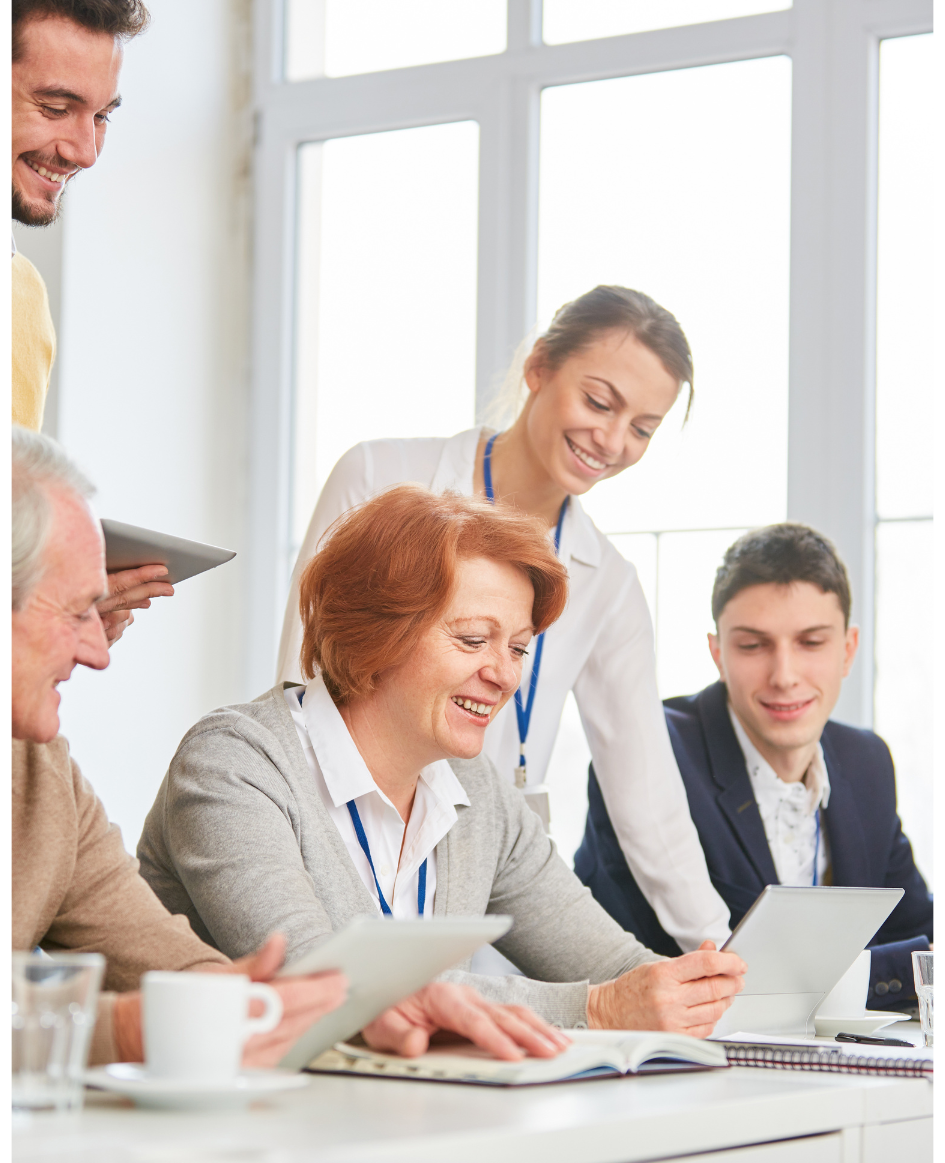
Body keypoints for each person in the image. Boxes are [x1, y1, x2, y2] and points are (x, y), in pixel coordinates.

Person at [139, 484, 746, 1045]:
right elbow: (321, 988)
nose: (504, 674)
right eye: (473, 640)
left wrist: (690, 990)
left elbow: (612, 967)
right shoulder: (236, 763)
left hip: (388, 1124)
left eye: (517, 648)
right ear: (375, 631)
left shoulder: (475, 791)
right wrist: (596, 1010)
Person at [278, 286, 732, 958]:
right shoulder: (378, 475)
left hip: (480, 880)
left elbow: (646, 791)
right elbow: (299, 686)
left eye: (641, 428)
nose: (610, 440)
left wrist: (715, 948)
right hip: (343, 854)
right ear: (538, 367)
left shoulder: (607, 582)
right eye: (599, 402)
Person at [10, 425, 351, 1069]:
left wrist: (289, 1005)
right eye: (79, 612)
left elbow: (156, 953)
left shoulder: (43, 774)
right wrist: (126, 1033)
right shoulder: (237, 759)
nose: (98, 652)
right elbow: (138, 1017)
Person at [575, 523, 934, 1009]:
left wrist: (853, 976)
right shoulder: (647, 756)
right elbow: (672, 970)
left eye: (811, 643)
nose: (784, 676)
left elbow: (922, 944)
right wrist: (875, 972)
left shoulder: (866, 761)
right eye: (752, 646)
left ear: (847, 650)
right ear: (717, 652)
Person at [11, 0, 171, 644]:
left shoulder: (21, 296)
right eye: (54, 108)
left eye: (101, 116)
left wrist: (58, 610)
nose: (85, 150)